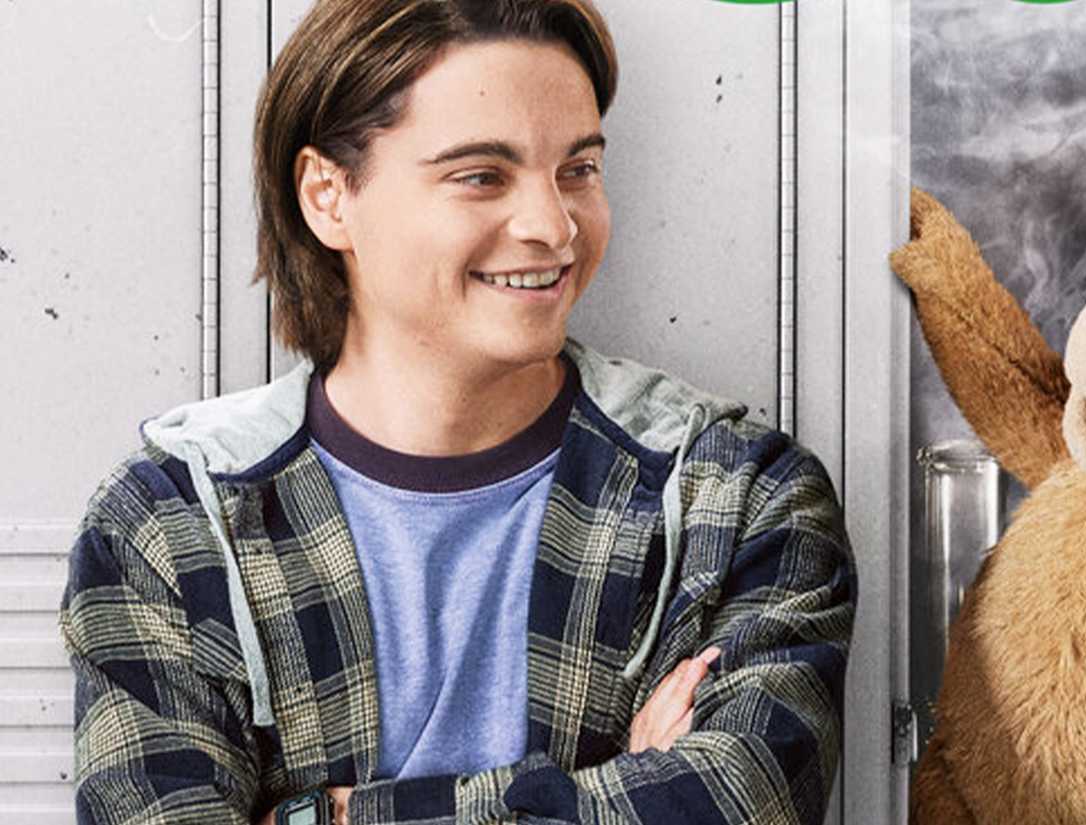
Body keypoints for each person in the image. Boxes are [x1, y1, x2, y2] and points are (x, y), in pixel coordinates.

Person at [58, 1, 855, 823]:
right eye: (482, 175)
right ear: (328, 195)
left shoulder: (740, 500)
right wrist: (612, 790)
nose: (553, 226)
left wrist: (323, 814)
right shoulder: (167, 526)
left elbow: (732, 801)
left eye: (578, 169)